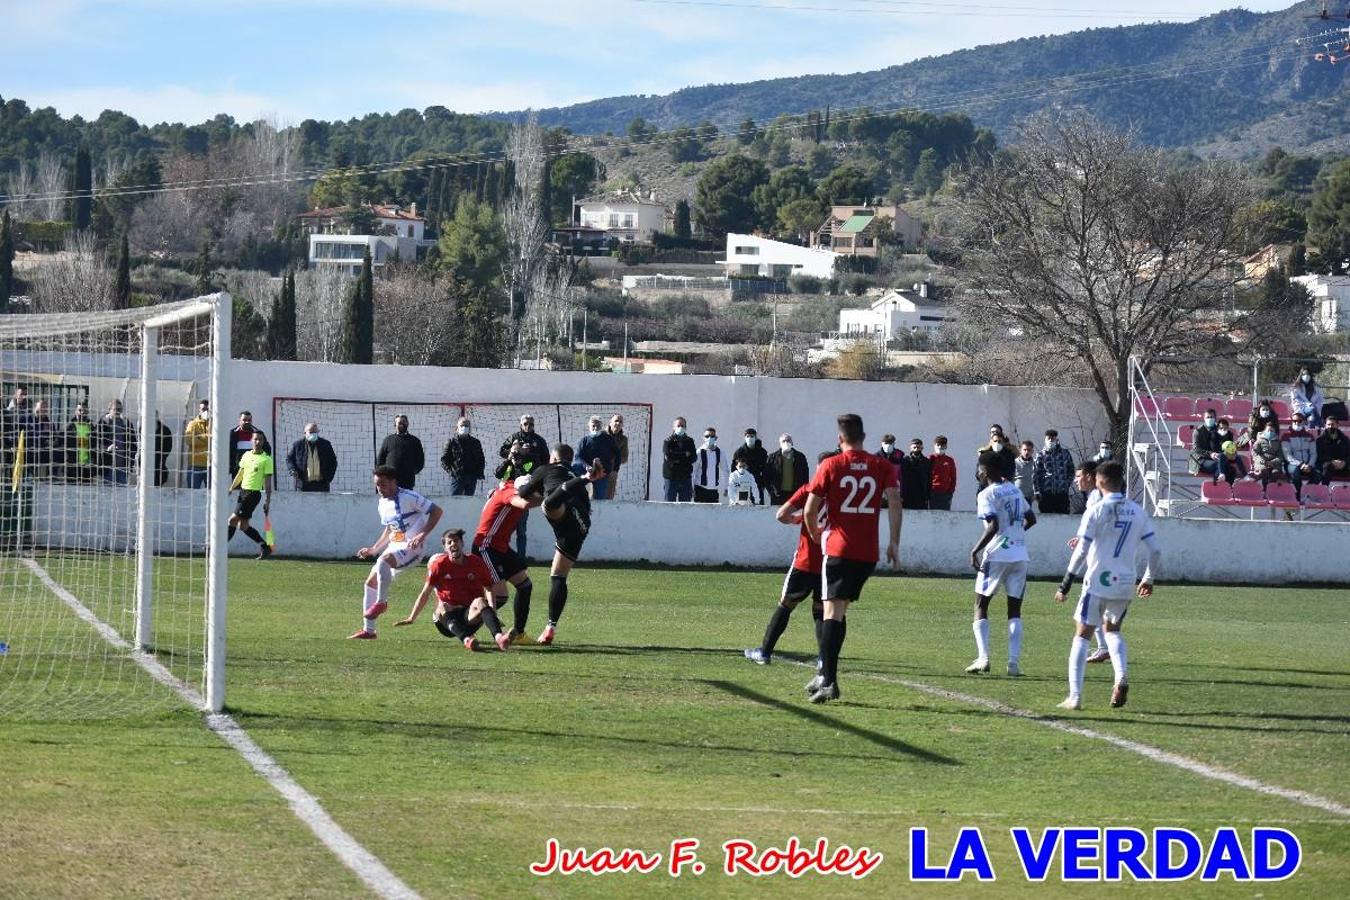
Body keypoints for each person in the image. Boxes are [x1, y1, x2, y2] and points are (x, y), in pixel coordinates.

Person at [801, 413, 902, 704]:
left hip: (839, 549)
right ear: (864, 437)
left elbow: (810, 510)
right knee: (840, 610)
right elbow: (895, 501)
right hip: (867, 552)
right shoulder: (882, 465)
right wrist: (894, 542)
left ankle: (828, 680)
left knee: (830, 612)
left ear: (839, 439)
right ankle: (825, 675)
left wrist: (817, 534)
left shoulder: (831, 464)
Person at [1054, 461, 1160, 711]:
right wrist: (1148, 578)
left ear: (1099, 481)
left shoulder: (1096, 510)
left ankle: (1075, 696)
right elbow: (1155, 549)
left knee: (1082, 635)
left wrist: (1066, 583)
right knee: (1112, 631)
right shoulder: (1137, 511)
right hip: (1125, 581)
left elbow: (1081, 550)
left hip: (1098, 579)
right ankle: (1120, 676)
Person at [744, 450, 839, 666]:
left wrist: (798, 520)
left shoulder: (808, 490)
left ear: (819, 468)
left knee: (786, 604)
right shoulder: (839, 495)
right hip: (830, 561)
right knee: (821, 610)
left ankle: (764, 652)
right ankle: (824, 659)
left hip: (805, 561)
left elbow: (781, 515)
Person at [517, 445, 606, 645]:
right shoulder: (571, 473)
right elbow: (587, 507)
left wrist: (517, 485)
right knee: (558, 576)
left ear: (553, 457)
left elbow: (523, 493)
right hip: (581, 525)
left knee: (548, 504)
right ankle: (551, 626)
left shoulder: (545, 469)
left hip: (565, 510)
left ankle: (587, 477)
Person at [349, 465, 444, 640]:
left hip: (413, 548)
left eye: (383, 484)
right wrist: (374, 549)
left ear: (394, 482)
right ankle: (369, 631)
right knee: (370, 583)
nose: (380, 489)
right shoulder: (382, 504)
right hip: (396, 546)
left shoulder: (409, 497)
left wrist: (423, 534)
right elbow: (390, 529)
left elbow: (437, 511)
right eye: (377, 485)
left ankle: (381, 603)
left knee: (383, 561)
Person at [967, 458, 1037, 677]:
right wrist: (1015, 537)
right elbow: (1032, 518)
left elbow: (993, 525)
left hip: (997, 554)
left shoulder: (986, 494)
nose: (978, 472)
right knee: (1014, 609)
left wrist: (975, 550)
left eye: (979, 468)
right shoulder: (1015, 491)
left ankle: (983, 658)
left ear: (986, 470)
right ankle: (1013, 663)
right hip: (1020, 554)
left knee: (981, 603)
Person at [395, 530, 509, 652]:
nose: (453, 544)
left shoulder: (476, 563)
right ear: (445, 548)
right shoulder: (439, 566)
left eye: (456, 541)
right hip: (446, 621)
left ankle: (499, 638)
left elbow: (489, 588)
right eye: (449, 542)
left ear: (462, 544)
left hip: (469, 615)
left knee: (480, 601)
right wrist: (411, 618)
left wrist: (493, 612)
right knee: (443, 606)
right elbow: (425, 593)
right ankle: (467, 640)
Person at [471, 475, 541, 643]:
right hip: (485, 547)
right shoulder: (509, 493)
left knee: (525, 586)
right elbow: (524, 503)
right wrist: (558, 494)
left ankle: (519, 633)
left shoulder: (509, 488)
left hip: (500, 548)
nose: (530, 495)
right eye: (528, 492)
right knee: (500, 596)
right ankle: (466, 623)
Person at [227, 431, 274, 560]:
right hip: (243, 493)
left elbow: (268, 483)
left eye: (260, 440)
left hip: (253, 494)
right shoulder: (246, 455)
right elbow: (240, 474)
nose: (257, 442)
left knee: (232, 520)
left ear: (263, 442)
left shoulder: (266, 459)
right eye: (255, 439)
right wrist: (231, 487)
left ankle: (218, 548)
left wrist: (267, 501)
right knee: (243, 526)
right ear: (251, 441)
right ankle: (265, 547)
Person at [495, 439, 538, 556]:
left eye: (518, 451)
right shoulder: (508, 463)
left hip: (520, 501)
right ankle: (501, 554)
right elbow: (498, 474)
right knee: (502, 530)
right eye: (514, 451)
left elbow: (526, 477)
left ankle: (521, 557)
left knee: (521, 531)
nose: (515, 454)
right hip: (506, 502)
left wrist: (518, 463)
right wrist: (508, 460)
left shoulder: (529, 463)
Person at [376, 414, 425, 490]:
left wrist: (411, 471)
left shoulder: (415, 441)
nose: (401, 424)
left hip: (407, 483)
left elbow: (420, 461)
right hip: (390, 482)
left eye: (404, 422)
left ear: (408, 424)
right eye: (399, 422)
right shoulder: (388, 440)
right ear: (395, 424)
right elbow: (380, 461)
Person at [440, 417, 485, 497]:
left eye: (467, 426)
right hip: (458, 477)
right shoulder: (451, 442)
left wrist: (478, 473)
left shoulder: (475, 442)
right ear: (457, 428)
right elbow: (444, 459)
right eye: (462, 425)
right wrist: (452, 472)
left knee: (469, 501)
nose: (464, 427)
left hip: (471, 477)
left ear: (470, 428)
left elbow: (481, 459)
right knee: (455, 501)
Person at [1033, 429, 1075, 514]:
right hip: (1046, 494)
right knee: (1047, 520)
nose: (1050, 441)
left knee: (1064, 518)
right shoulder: (1040, 455)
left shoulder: (1065, 453)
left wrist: (1066, 483)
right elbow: (1036, 474)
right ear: (1045, 440)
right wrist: (1037, 491)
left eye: (1053, 439)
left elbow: (1071, 470)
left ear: (1057, 440)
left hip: (1062, 494)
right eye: (1048, 439)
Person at [577, 415, 618, 501]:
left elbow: (617, 455)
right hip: (587, 471)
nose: (595, 428)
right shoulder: (584, 440)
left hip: (602, 473)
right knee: (575, 468)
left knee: (600, 499)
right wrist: (586, 466)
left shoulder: (608, 439)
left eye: (598, 426)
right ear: (589, 426)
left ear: (601, 426)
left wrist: (615, 470)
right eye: (593, 426)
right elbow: (578, 457)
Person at [287, 422, 338, 492]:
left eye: (315, 432)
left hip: (322, 484)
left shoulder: (326, 444)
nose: (313, 434)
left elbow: (333, 462)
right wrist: (292, 470)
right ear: (305, 433)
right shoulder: (298, 445)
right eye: (311, 432)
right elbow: (289, 459)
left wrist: (329, 478)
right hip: (303, 484)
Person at [97, 399, 137, 485]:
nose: (117, 412)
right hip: (107, 466)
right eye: (115, 409)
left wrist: (130, 462)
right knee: (107, 493)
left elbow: (133, 444)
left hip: (123, 467)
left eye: (119, 410)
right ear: (109, 410)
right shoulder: (103, 423)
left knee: (122, 494)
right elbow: (95, 442)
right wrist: (106, 449)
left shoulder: (126, 424)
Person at [765, 433, 809, 506]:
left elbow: (805, 475)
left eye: (788, 440)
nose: (786, 443)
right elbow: (766, 477)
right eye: (783, 441)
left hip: (795, 494)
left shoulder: (800, 457)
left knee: (795, 516)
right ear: (780, 444)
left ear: (792, 443)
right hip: (778, 496)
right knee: (777, 516)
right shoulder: (772, 458)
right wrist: (772, 492)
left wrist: (802, 491)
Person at [1281, 413, 1318, 499]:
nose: (1297, 423)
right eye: (1294, 421)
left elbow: (1313, 453)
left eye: (1299, 421)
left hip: (1307, 464)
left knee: (1318, 475)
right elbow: (1287, 455)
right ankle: (1297, 496)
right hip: (1292, 464)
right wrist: (1300, 464)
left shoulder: (1310, 436)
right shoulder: (1286, 436)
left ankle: (1304, 491)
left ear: (1304, 422)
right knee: (1295, 473)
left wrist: (1310, 465)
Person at [662, 417, 697, 502]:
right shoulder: (668, 441)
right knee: (669, 505)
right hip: (671, 478)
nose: (680, 427)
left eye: (682, 425)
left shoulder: (690, 441)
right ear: (673, 427)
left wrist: (676, 456)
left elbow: (693, 458)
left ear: (685, 427)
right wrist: (685, 454)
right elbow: (668, 457)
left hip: (685, 478)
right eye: (678, 425)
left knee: (685, 506)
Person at [732, 428, 769, 505]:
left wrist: (763, 484)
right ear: (745, 438)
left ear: (755, 437)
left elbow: (766, 469)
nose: (750, 438)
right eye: (748, 436)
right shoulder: (739, 452)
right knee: (743, 506)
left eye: (752, 436)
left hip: (757, 484)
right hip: (743, 484)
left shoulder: (762, 452)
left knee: (758, 506)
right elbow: (734, 469)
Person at [976, 425, 1015, 495]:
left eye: (999, 441)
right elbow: (978, 474)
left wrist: (999, 479)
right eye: (995, 441)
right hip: (986, 490)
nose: (997, 443)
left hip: (1003, 491)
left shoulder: (1009, 454)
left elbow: (1010, 472)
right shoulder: (984, 454)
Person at [1187, 409, 1225, 482]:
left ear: (1215, 418)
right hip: (1200, 459)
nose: (1210, 419)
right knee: (1219, 466)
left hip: (1215, 457)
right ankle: (1216, 486)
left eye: (1212, 417)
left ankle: (1223, 487)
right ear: (1204, 418)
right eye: (1208, 417)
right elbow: (1196, 449)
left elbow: (1222, 446)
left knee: (1229, 465)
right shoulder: (1198, 431)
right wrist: (1210, 454)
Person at [63, 402, 96, 483]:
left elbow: (95, 444)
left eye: (84, 411)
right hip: (73, 465)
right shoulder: (70, 426)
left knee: (87, 492)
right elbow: (64, 444)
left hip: (87, 466)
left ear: (87, 412)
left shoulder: (91, 426)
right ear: (75, 411)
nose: (82, 412)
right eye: (80, 410)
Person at [1251, 422, 1288, 490]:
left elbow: (1280, 456)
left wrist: (1272, 462)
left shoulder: (1278, 442)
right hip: (1262, 462)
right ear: (1265, 431)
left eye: (1272, 431)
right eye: (1268, 430)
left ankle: (1270, 489)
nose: (1270, 432)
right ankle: (1264, 489)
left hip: (1274, 463)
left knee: (1275, 473)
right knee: (1264, 471)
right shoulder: (1259, 441)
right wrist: (1263, 461)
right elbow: (1255, 453)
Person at [693, 427, 725, 503]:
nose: (709, 438)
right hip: (700, 488)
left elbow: (725, 470)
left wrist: (726, 487)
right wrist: (692, 487)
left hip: (713, 490)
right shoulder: (699, 452)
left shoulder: (720, 453)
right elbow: (693, 470)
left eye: (712, 436)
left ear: (716, 438)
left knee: (713, 514)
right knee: (699, 513)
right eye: (707, 436)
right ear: (703, 438)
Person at [183, 400, 211, 488]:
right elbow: (189, 440)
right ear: (199, 410)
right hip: (195, 464)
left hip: (211, 465)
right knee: (192, 492)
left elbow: (217, 440)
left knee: (213, 494)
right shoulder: (193, 424)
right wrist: (207, 439)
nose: (205, 412)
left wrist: (199, 436)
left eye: (207, 409)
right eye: (203, 409)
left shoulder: (215, 424)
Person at [898, 438, 931, 510]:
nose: (916, 449)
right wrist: (901, 495)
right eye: (914, 447)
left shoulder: (927, 462)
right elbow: (900, 478)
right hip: (907, 496)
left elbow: (929, 480)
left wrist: (928, 496)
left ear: (922, 448)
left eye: (918, 447)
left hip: (921, 496)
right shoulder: (904, 461)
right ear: (910, 448)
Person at [228, 411, 264, 477]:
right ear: (239, 421)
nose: (247, 422)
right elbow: (229, 452)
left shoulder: (258, 433)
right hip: (238, 471)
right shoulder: (233, 433)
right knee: (238, 487)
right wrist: (231, 468)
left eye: (249, 420)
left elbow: (267, 450)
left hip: (254, 470)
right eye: (244, 420)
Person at [1315, 415, 1349, 482]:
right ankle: (1324, 490)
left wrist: (1344, 462)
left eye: (1333, 424)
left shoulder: (1345, 439)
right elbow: (1319, 455)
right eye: (1328, 425)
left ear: (1337, 425)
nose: (1330, 427)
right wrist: (1332, 461)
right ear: (1325, 425)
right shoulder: (1320, 440)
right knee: (1327, 466)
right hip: (1327, 466)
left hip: (1342, 466)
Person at [28, 400, 55, 480]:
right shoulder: (27, 419)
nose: (42, 410)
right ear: (35, 408)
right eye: (41, 408)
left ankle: (47, 477)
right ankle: (29, 476)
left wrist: (51, 441)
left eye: (44, 408)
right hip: (29, 449)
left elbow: (54, 436)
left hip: (43, 450)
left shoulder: (48, 423)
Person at [929, 435, 956, 510]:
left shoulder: (949, 460)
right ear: (935, 446)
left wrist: (950, 492)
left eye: (943, 445)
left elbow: (953, 478)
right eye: (938, 445)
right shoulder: (930, 459)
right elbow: (926, 476)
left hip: (945, 493)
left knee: (945, 515)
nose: (940, 447)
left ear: (946, 446)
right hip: (932, 493)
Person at [605, 414, 629, 498]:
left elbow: (624, 458)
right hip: (599, 470)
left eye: (620, 422)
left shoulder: (623, 439)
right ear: (610, 422)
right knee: (595, 497)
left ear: (622, 425)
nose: (618, 423)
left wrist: (613, 459)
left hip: (612, 472)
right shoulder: (602, 435)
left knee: (609, 497)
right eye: (616, 421)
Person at [154, 415, 173, 486]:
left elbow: (168, 447)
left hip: (159, 466)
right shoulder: (142, 429)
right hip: (144, 467)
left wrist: (160, 458)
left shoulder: (165, 430)